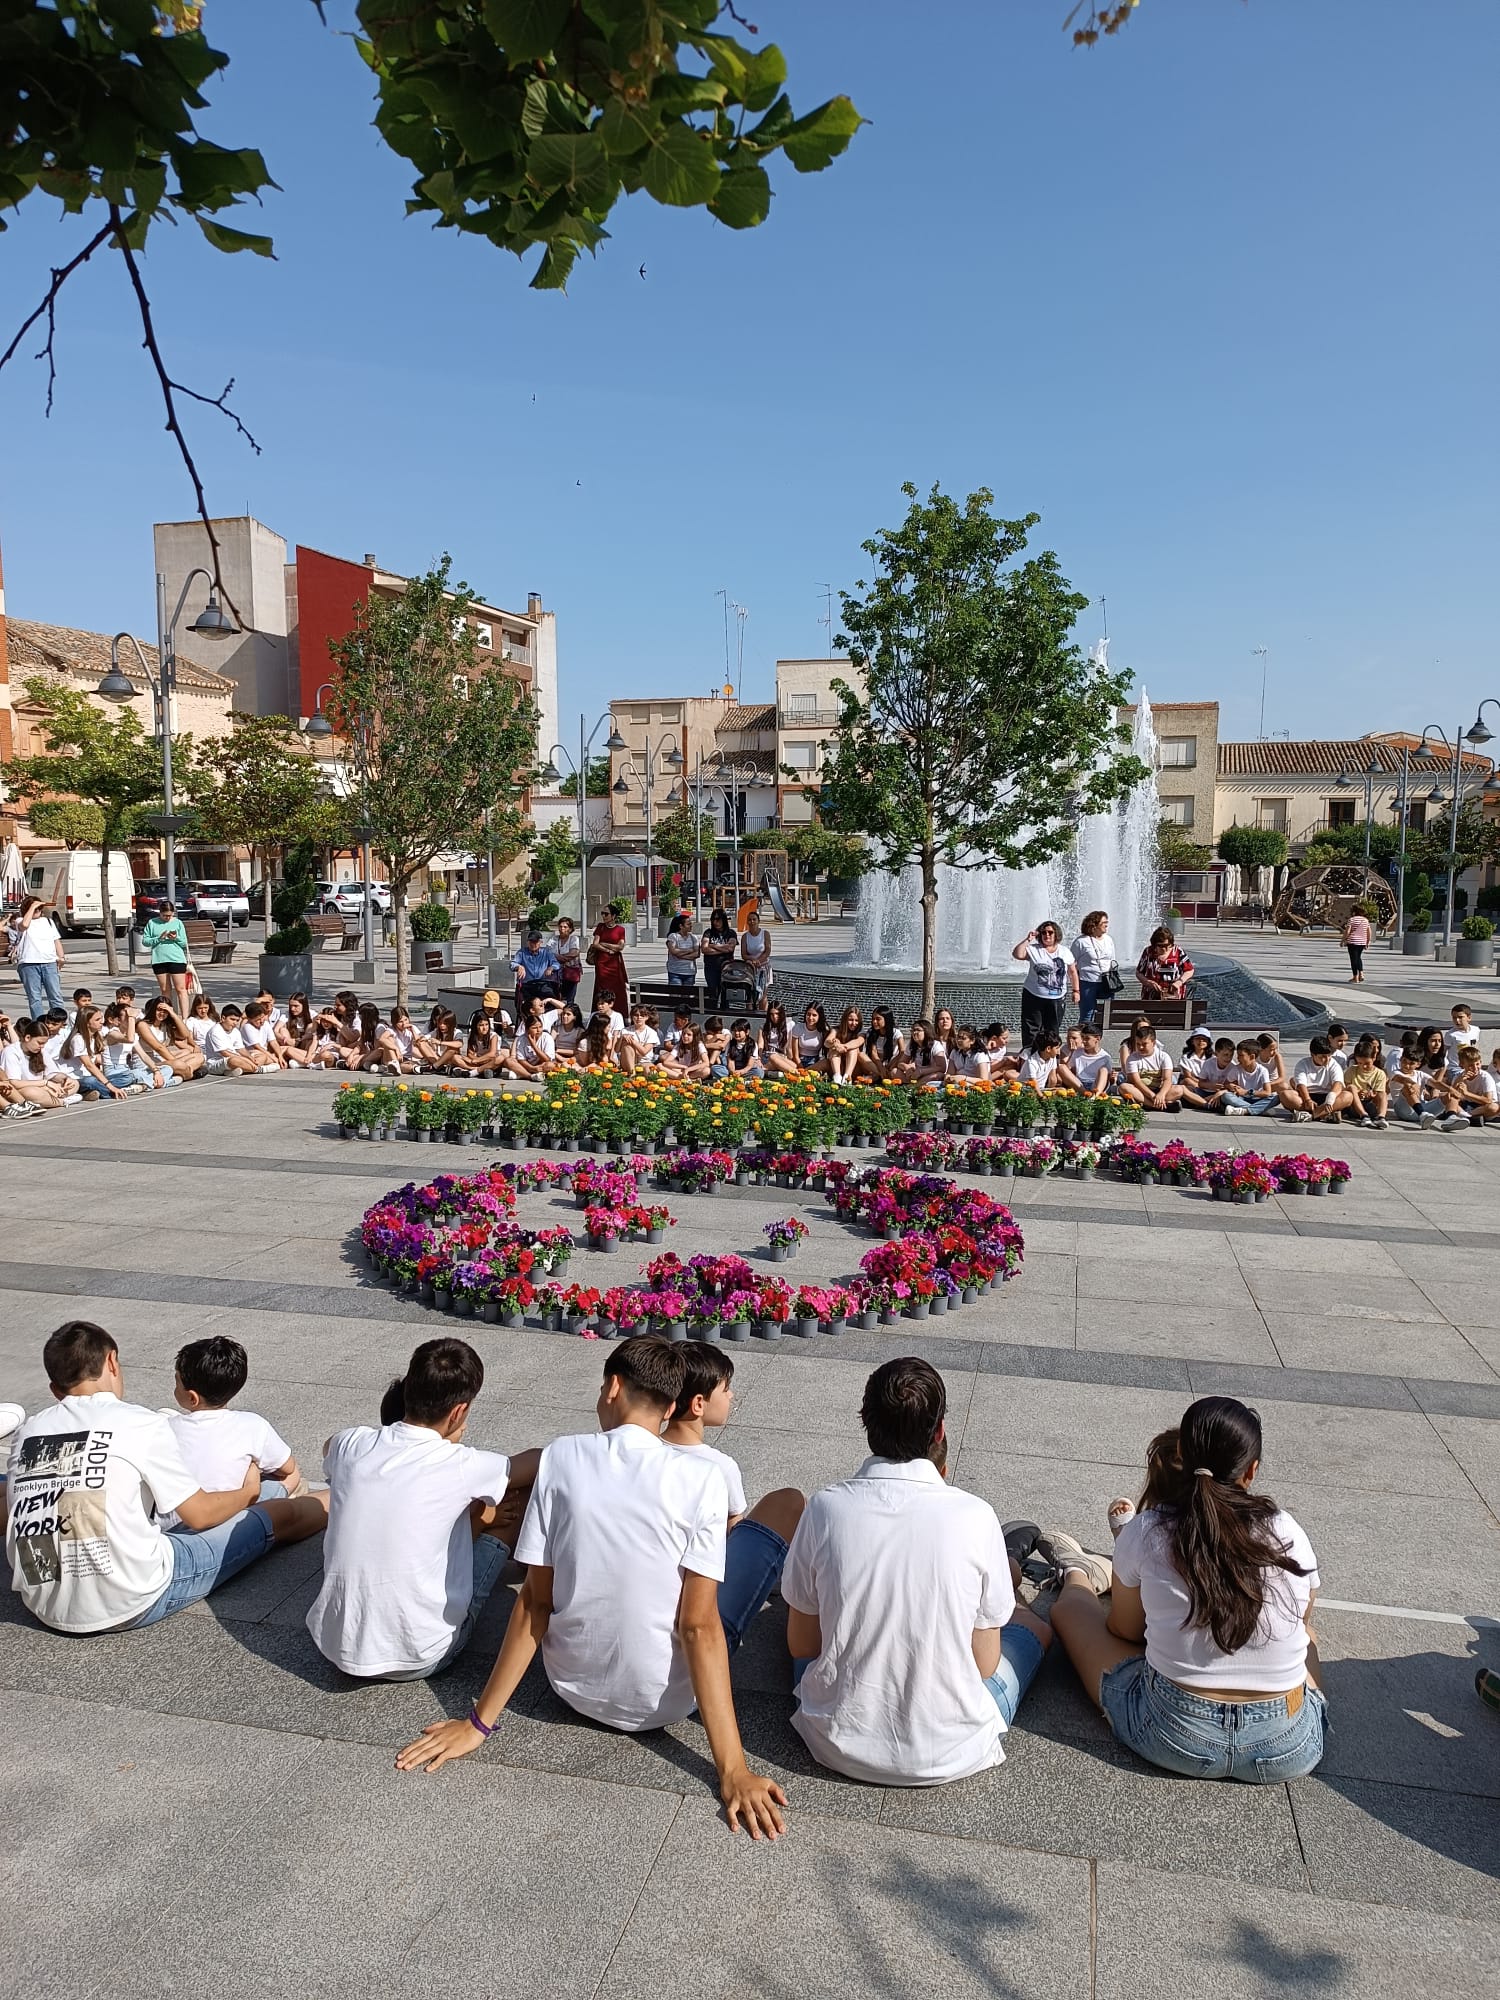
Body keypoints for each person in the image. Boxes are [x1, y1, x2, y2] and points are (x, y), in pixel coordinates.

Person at [395, 1337, 804, 1842]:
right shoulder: (704, 1477)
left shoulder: (562, 1457)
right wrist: (733, 1770)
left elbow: (534, 1603)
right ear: (671, 1408)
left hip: (570, 1688)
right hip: (667, 1705)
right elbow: (698, 1627)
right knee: (782, 1506)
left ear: (612, 1387)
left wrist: (477, 1725)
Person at [784, 1358, 1053, 1787]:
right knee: (1034, 1630)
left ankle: (1006, 1572)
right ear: (939, 1431)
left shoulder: (824, 1507)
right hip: (950, 1750)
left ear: (866, 1423)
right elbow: (984, 1665)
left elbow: (802, 1644)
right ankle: (1009, 1577)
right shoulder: (975, 1515)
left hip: (833, 1741)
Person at [1046, 1396, 1326, 1783]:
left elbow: (1125, 1630)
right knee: (1307, 1636)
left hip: (1173, 1734)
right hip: (1286, 1748)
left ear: (1180, 1452)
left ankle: (1080, 1572)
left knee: (1070, 1613)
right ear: (1252, 1470)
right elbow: (1304, 1615)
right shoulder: (1286, 1529)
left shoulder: (1151, 1528)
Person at [6, 1320, 326, 1634]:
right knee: (274, 1510)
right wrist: (249, 1491)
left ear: (55, 1390)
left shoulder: (29, 1432)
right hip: (131, 1598)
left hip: (43, 1601)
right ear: (112, 1362)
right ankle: (340, 1498)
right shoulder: (140, 1423)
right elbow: (201, 1515)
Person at [307, 1337, 536, 1681]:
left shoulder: (350, 1443)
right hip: (421, 1656)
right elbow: (537, 1462)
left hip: (333, 1644)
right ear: (458, 1411)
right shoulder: (459, 1463)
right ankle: (531, 1569)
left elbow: (329, 1447)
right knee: (514, 1494)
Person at [160, 1335, 304, 1528]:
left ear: (192, 1398)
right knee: (292, 1476)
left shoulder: (165, 1427)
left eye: (177, 1382)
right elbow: (287, 1467)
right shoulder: (252, 1424)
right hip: (230, 1519)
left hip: (171, 1522)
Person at [662, 1342, 746, 1528]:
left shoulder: (645, 1449)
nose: (730, 1395)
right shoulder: (722, 1467)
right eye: (725, 1389)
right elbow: (734, 1529)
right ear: (698, 1404)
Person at [1012, 921, 1078, 1047]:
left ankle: (1050, 1053)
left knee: (1052, 1028)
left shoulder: (1065, 951)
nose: (1047, 935)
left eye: (1050, 932)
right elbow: (1017, 954)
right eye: (1043, 932)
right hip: (1033, 994)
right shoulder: (1034, 949)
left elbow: (1072, 971)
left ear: (1056, 934)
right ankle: (1030, 1053)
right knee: (1031, 1028)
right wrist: (1028, 939)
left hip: (1057, 997)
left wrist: (1076, 991)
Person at [59, 1002, 129, 1102]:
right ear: (87, 1023)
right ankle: (113, 1092)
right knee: (91, 1081)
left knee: (127, 1076)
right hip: (74, 1078)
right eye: (97, 1020)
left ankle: (93, 1092)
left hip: (89, 1075)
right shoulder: (78, 1039)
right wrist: (110, 1086)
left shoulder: (95, 1037)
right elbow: (89, 1065)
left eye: (101, 1018)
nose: (102, 1022)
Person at [3, 1016, 81, 1107]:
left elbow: (52, 1073)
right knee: (31, 1093)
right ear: (27, 1038)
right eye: (39, 1043)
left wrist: (65, 1078)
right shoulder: (11, 1051)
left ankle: (53, 1098)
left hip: (44, 1087)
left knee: (74, 1083)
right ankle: (62, 1101)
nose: (42, 1046)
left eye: (44, 1043)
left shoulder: (41, 1050)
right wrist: (46, 1084)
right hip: (25, 1089)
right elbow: (14, 1083)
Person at [12, 895, 66, 1017]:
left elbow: (56, 940)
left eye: (39, 908)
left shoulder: (48, 921)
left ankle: (59, 1022)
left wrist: (61, 957)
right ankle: (38, 1024)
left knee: (55, 996)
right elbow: (24, 925)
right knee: (35, 998)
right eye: (34, 908)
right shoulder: (20, 920)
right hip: (28, 964)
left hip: (49, 962)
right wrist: (32, 907)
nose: (37, 911)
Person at [1277, 1037, 1351, 1124]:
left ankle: (1311, 1115)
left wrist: (1330, 1099)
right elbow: (1301, 1085)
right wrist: (1307, 1100)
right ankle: (1324, 1115)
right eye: (1322, 1057)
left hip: (1327, 1098)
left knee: (1348, 1096)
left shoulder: (1334, 1064)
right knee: (1285, 1095)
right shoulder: (1303, 1064)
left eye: (1329, 1055)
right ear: (1313, 1054)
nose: (1327, 1059)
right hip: (1307, 1096)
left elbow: (1338, 1084)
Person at [140, 901, 192, 1013]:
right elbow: (145, 941)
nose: (167, 918)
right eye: (165, 915)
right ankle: (169, 1014)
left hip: (176, 959)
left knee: (181, 989)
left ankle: (185, 1016)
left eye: (170, 915)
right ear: (160, 913)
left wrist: (175, 938)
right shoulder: (152, 923)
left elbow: (184, 943)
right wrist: (159, 938)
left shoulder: (178, 923)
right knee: (165, 990)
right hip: (159, 959)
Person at [1071, 910, 1118, 1028]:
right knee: (1087, 1014)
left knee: (1106, 1014)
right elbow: (1071, 963)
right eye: (1104, 922)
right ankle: (1083, 1036)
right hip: (1087, 981)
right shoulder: (1081, 942)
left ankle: (1100, 1036)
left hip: (1106, 981)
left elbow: (1112, 959)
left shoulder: (1109, 939)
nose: (1107, 925)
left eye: (1107, 922)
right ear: (1094, 925)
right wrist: (1075, 986)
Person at [139, 997, 205, 1080]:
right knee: (179, 1064)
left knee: (199, 1057)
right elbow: (159, 1048)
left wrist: (173, 1014)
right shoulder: (143, 1025)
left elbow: (185, 1035)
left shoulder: (164, 1025)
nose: (162, 1013)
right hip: (147, 1062)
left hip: (160, 1058)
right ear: (153, 1010)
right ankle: (187, 1073)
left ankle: (184, 1072)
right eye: (159, 1010)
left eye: (165, 1011)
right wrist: (176, 1062)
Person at [1117, 1026, 1180, 1112]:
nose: (1141, 1047)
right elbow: (1137, 1081)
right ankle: (1157, 1105)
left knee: (1179, 1090)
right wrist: (1152, 1095)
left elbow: (1167, 1079)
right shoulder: (1132, 1058)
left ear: (1153, 1043)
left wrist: (1161, 1094)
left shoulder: (1164, 1056)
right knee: (1123, 1087)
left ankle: (1148, 1103)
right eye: (1138, 1044)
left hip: (1158, 1089)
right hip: (1140, 1090)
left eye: (1144, 1044)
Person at [1387, 1047, 1446, 1128]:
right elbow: (1402, 1079)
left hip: (1423, 1107)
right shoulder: (1395, 1072)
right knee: (1408, 1087)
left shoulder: (1420, 1074)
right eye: (1404, 1061)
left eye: (1411, 1063)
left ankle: (1452, 1117)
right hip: (1404, 1110)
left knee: (1450, 1095)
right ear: (1400, 1059)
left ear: (1418, 1064)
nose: (1407, 1065)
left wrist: (1451, 1090)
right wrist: (1413, 1083)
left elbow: (1436, 1083)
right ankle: (1422, 1114)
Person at [589, 901, 630, 1016]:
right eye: (602, 913)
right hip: (602, 961)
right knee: (601, 986)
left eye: (606, 914)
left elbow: (620, 946)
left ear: (613, 916)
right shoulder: (600, 927)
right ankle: (600, 1011)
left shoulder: (620, 929)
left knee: (618, 987)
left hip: (615, 962)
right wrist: (608, 950)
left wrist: (605, 944)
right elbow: (595, 944)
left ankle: (619, 1013)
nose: (603, 916)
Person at [1342, 1037, 1390, 1128]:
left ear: (1374, 1058)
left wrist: (1372, 1095)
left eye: (1367, 1063)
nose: (1363, 1066)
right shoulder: (1351, 1070)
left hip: (1370, 1105)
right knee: (1352, 1087)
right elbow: (1346, 1087)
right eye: (1360, 1063)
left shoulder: (1380, 1073)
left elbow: (1379, 1093)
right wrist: (1357, 1092)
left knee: (1383, 1094)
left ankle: (1381, 1117)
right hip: (1353, 1105)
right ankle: (1363, 1115)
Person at [1136, 926, 1195, 1000]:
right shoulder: (1148, 952)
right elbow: (1139, 972)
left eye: (1168, 945)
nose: (1165, 949)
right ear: (1155, 944)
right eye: (1161, 946)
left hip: (1174, 997)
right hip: (1151, 997)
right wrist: (1148, 982)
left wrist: (1179, 982)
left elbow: (1189, 970)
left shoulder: (1178, 951)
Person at [512, 928, 562, 1012]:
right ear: (528, 942)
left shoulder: (546, 952)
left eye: (535, 942)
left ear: (540, 942)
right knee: (526, 1003)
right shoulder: (522, 953)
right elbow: (512, 964)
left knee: (550, 997)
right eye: (531, 942)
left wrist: (551, 967)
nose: (533, 944)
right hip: (528, 984)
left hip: (543, 983)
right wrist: (519, 966)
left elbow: (556, 964)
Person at [203, 1002, 260, 1076]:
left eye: (237, 1020)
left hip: (236, 1057)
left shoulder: (235, 1031)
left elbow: (241, 1049)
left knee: (259, 1055)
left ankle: (235, 1070)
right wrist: (246, 1060)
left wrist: (250, 1058)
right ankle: (258, 1069)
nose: (235, 1023)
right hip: (217, 1062)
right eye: (232, 1019)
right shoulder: (215, 1031)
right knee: (233, 1061)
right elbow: (225, 1053)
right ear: (223, 1018)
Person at [1058, 1022, 1111, 1096]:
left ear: (1097, 1039)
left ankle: (1095, 1096)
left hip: (1095, 1084)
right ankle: (1085, 1093)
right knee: (1061, 1067)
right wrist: (1071, 1053)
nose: (1083, 1041)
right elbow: (1067, 1069)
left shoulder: (1105, 1056)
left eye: (1087, 1038)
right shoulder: (1077, 1052)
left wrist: (1112, 1078)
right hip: (1079, 1084)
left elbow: (1107, 1078)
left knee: (1104, 1070)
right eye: (1082, 1037)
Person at [856, 1004, 904, 1082]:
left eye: (878, 1019)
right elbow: (874, 1053)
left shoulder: (896, 1033)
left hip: (891, 1064)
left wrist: (891, 1065)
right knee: (861, 1055)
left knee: (895, 1070)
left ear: (886, 1019)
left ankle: (877, 1076)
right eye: (873, 1019)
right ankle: (880, 1075)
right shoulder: (871, 1032)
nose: (874, 1022)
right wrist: (881, 1068)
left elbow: (902, 1051)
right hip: (875, 1064)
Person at [700, 908, 738, 1007]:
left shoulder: (731, 933)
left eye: (718, 919)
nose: (715, 922)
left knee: (726, 993)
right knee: (713, 992)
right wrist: (723, 949)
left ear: (723, 920)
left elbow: (730, 948)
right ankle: (713, 1010)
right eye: (713, 919)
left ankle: (725, 1011)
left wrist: (712, 945)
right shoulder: (708, 932)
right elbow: (704, 949)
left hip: (726, 967)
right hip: (711, 968)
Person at [236, 1000, 286, 1073]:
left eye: (262, 1017)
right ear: (249, 1019)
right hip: (253, 1053)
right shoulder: (247, 1027)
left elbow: (273, 1041)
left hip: (265, 1052)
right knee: (264, 1057)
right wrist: (274, 1058)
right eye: (258, 1020)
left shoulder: (266, 1024)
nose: (262, 1021)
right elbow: (257, 1047)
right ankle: (250, 1068)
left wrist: (280, 1056)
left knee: (287, 1049)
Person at [822, 1006, 866, 1083]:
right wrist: (835, 1044)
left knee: (853, 1048)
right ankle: (837, 1077)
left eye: (856, 1020)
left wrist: (843, 1046)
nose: (854, 1023)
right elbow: (827, 1042)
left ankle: (847, 1078)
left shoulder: (860, 1031)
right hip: (837, 1066)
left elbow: (859, 1041)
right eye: (850, 1020)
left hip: (854, 1069)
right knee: (835, 1043)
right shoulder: (836, 1029)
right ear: (845, 1019)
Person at [899, 1018, 947, 1087]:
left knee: (937, 1075)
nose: (914, 1033)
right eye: (913, 1030)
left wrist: (921, 1071)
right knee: (894, 1071)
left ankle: (913, 1087)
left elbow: (942, 1067)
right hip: (916, 1074)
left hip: (930, 1074)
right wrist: (906, 1067)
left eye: (918, 1030)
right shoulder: (911, 1045)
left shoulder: (936, 1045)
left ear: (926, 1031)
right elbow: (900, 1063)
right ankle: (914, 1085)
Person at [739, 906, 772, 1005]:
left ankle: (763, 1013)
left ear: (758, 921)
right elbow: (744, 954)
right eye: (749, 920)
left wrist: (759, 961)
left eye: (754, 919)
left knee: (763, 996)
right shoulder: (745, 937)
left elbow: (767, 951)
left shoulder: (765, 934)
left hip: (763, 967)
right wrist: (752, 960)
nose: (752, 922)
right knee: (749, 996)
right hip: (750, 967)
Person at [616, 1004, 660, 1076]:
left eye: (642, 1015)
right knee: (627, 1044)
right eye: (636, 1015)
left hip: (644, 1061)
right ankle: (632, 1074)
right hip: (627, 1061)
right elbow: (617, 1050)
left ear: (646, 1017)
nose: (639, 1018)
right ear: (632, 1017)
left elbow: (644, 1052)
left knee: (652, 1073)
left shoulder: (652, 1033)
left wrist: (633, 1041)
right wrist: (621, 1038)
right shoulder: (625, 1030)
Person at [553, 915, 583, 1009]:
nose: (562, 929)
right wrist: (565, 957)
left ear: (570, 929)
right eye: (560, 926)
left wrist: (558, 957)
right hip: (556, 973)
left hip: (571, 972)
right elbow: (549, 953)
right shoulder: (554, 939)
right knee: (557, 997)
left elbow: (574, 953)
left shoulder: (574, 939)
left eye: (565, 927)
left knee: (569, 998)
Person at [760, 1000, 796, 1077]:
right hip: (767, 1056)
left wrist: (790, 1059)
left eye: (777, 1014)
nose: (774, 1017)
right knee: (772, 1057)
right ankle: (797, 1074)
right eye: (772, 1014)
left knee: (793, 1065)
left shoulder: (790, 1024)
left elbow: (789, 1048)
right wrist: (759, 1059)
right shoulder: (764, 1026)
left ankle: (766, 1072)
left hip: (781, 1056)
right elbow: (760, 1044)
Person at [791, 1002, 828, 1071]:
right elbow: (795, 1055)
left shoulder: (823, 1031)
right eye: (808, 1014)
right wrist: (800, 1066)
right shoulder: (798, 1027)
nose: (810, 1018)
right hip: (798, 1061)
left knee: (827, 1062)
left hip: (814, 1062)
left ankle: (805, 1071)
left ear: (819, 1016)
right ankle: (805, 1072)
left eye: (814, 1015)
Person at [1341, 904, 1372, 983]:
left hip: (1353, 942)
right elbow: (1369, 932)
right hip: (1362, 942)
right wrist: (1367, 942)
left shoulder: (1352, 920)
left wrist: (1343, 940)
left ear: (1354, 912)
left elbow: (1347, 931)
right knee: (1358, 958)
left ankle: (1355, 977)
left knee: (1353, 959)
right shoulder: (1365, 920)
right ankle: (1361, 974)